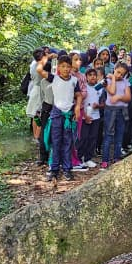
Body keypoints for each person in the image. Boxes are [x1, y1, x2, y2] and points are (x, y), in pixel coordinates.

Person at [47, 55, 81, 184]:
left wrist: (77, 107)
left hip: (69, 115)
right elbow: (40, 69)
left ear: (71, 68)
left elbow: (78, 95)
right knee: (56, 142)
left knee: (67, 142)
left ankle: (67, 169)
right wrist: (48, 57)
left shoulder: (74, 80)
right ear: (59, 68)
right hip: (56, 113)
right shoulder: (54, 78)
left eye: (68, 66)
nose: (66, 69)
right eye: (63, 66)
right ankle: (54, 169)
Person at [101, 62, 131, 167]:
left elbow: (128, 97)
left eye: (122, 74)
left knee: (120, 134)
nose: (119, 76)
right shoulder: (107, 81)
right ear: (114, 69)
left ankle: (117, 157)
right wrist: (113, 78)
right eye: (118, 72)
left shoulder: (126, 82)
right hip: (110, 110)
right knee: (108, 135)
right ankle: (105, 159)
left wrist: (119, 98)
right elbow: (112, 91)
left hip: (122, 110)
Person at [78, 66, 103, 168]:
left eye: (94, 75)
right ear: (86, 77)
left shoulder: (99, 88)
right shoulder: (84, 88)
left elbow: (104, 102)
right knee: (83, 138)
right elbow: (80, 102)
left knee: (93, 138)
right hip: (84, 117)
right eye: (90, 75)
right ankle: (79, 158)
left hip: (96, 116)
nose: (93, 77)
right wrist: (84, 115)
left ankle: (88, 158)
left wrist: (98, 106)